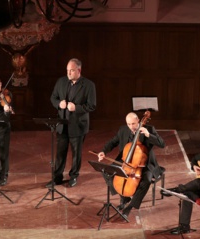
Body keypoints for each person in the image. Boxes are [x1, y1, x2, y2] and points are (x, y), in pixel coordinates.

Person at [97, 112, 165, 220]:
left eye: (133, 123)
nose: (131, 127)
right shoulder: (123, 130)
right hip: (126, 161)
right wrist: (103, 151)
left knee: (146, 180)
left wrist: (148, 134)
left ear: (138, 121)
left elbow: (162, 144)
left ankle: (130, 206)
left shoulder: (149, 129)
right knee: (106, 171)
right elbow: (113, 142)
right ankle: (124, 197)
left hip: (144, 163)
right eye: (129, 124)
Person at [49, 58, 96, 188]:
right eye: (67, 70)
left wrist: (77, 108)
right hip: (62, 125)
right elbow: (53, 97)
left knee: (76, 154)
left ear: (79, 70)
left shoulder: (88, 85)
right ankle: (57, 177)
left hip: (78, 125)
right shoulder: (61, 81)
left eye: (72, 70)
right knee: (60, 153)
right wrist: (59, 104)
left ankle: (73, 177)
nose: (69, 73)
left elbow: (92, 106)